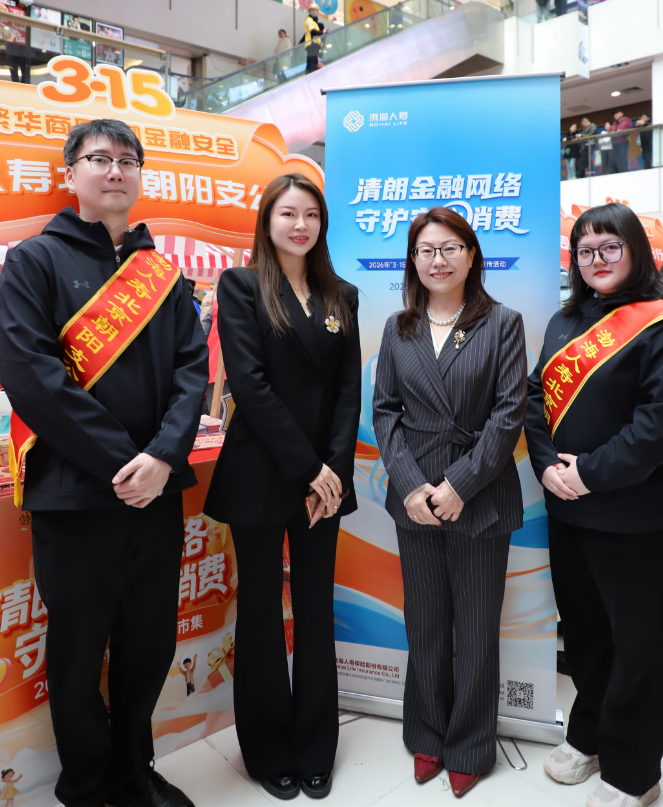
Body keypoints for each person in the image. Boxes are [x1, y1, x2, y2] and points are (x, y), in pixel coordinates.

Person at [0, 119, 208, 807]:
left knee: (149, 641)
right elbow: (31, 378)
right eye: (99, 158)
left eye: (127, 160)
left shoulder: (163, 276)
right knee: (78, 648)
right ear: (71, 174)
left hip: (156, 495)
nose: (115, 169)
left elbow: (191, 374)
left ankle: (133, 771)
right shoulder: (33, 262)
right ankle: (86, 785)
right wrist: (130, 462)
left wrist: (162, 458)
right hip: (76, 494)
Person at [203, 173, 361, 801]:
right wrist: (309, 469)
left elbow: (348, 390)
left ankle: (316, 746)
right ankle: (269, 749)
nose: (300, 225)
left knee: (317, 610)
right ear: (267, 221)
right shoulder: (241, 286)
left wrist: (333, 472)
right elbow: (250, 384)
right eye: (288, 214)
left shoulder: (341, 294)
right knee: (263, 611)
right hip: (264, 473)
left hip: (325, 480)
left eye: (311, 215)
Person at [372, 207, 527, 799]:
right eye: (426, 251)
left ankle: (469, 745)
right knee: (426, 623)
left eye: (449, 249)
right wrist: (412, 485)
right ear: (413, 260)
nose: (437, 261)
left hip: (478, 495)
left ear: (471, 255)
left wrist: (459, 485)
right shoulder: (399, 327)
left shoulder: (502, 322)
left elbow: (509, 413)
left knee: (479, 627)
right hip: (414, 499)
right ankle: (427, 734)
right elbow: (385, 411)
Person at [525, 203, 663, 807]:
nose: (597, 260)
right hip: (567, 510)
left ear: (635, 250)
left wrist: (587, 474)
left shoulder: (657, 321)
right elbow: (534, 399)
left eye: (610, 247)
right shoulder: (564, 321)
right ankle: (589, 734)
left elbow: (654, 427)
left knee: (637, 644)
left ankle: (634, 771)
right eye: (585, 251)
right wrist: (548, 467)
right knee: (584, 633)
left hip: (632, 515)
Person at [304, 3, 324, 74]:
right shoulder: (309, 20)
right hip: (312, 44)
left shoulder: (314, 22)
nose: (314, 11)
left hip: (313, 44)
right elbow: (312, 31)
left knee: (311, 62)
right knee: (312, 62)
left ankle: (308, 75)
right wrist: (322, 32)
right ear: (309, 11)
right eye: (312, 10)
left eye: (315, 10)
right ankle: (313, 76)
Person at [611, 109, 633, 173]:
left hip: (623, 141)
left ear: (622, 113)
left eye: (617, 113)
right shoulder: (614, 123)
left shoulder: (627, 120)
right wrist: (612, 132)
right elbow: (611, 130)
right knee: (617, 158)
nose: (615, 115)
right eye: (614, 114)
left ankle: (625, 171)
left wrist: (622, 131)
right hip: (615, 143)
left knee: (622, 156)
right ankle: (620, 171)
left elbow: (630, 128)